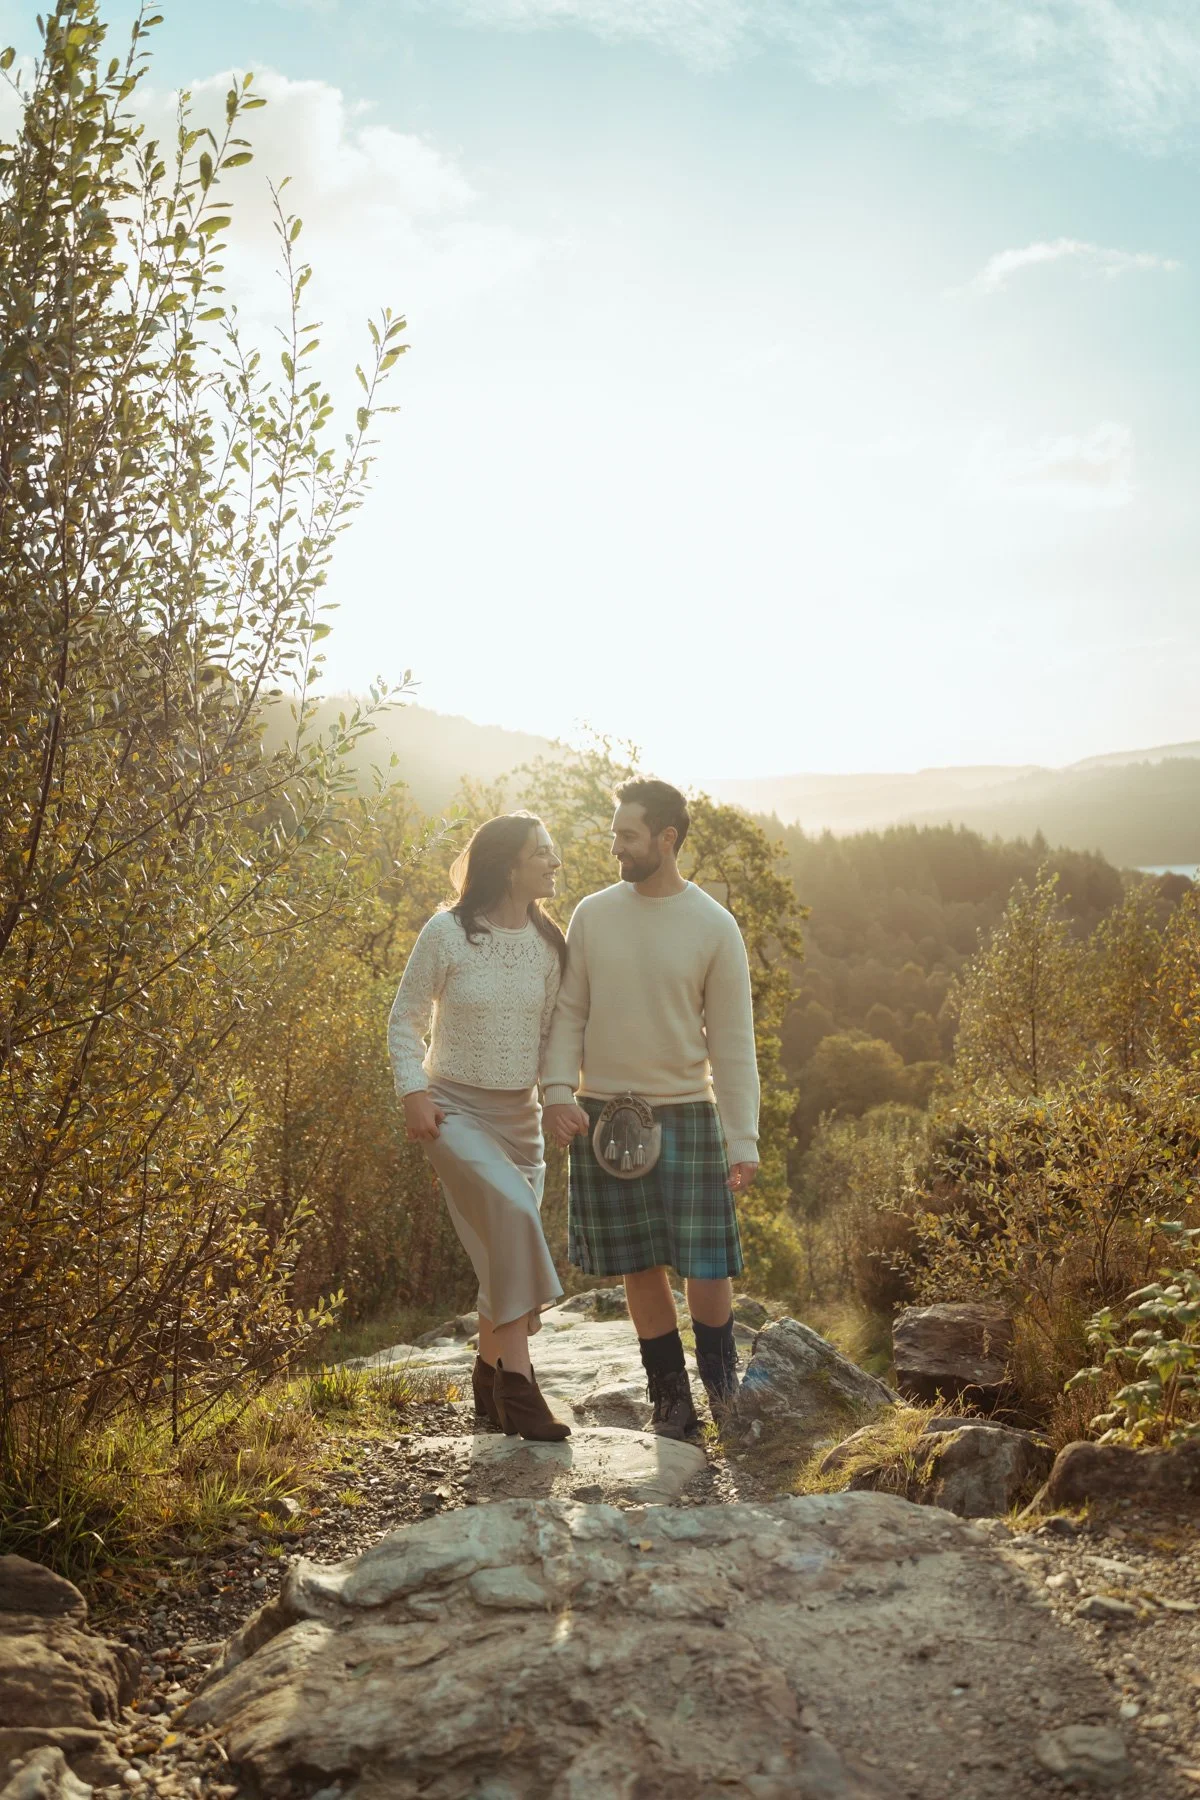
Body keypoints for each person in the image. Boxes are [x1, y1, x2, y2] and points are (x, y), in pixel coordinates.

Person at [542, 777, 759, 1440]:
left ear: (667, 839)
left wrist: (742, 1138)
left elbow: (731, 1041)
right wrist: (556, 1089)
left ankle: (721, 1389)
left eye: (628, 835)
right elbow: (571, 1009)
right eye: (615, 834)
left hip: (688, 1110)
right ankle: (670, 1397)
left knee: (706, 1262)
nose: (616, 847)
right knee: (641, 1261)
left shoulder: (713, 926)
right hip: (607, 1113)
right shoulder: (593, 914)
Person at [387, 812, 572, 1441]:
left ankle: (488, 1378)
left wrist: (556, 1099)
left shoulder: (550, 945)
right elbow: (404, 1017)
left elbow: (550, 1039)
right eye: (543, 852)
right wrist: (412, 1091)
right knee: (517, 1219)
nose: (554, 863)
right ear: (509, 864)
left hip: (521, 1120)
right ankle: (520, 1386)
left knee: (502, 1255)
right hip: (452, 1110)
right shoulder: (447, 932)